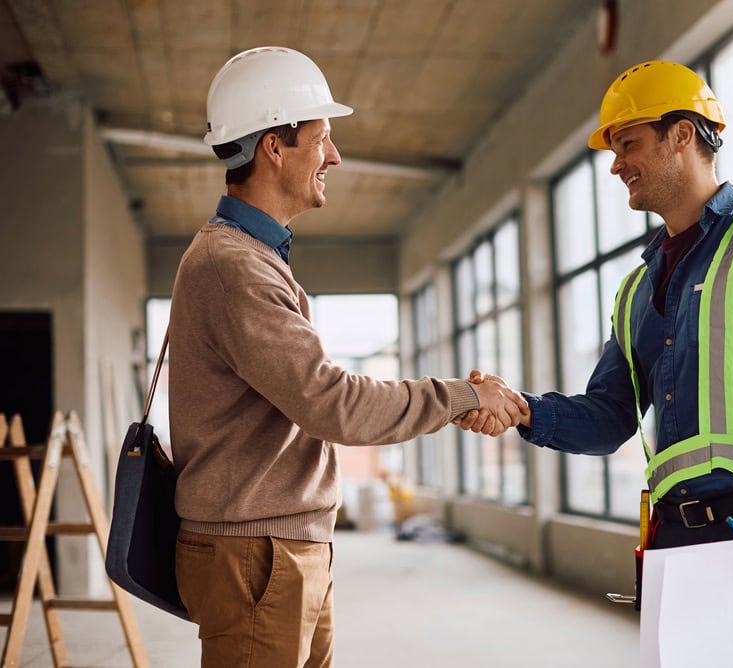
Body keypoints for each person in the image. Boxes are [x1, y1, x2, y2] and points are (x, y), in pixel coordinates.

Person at [168, 46, 526, 668]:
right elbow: (332, 403)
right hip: (257, 555)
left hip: (279, 547)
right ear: (274, 146)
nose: (333, 156)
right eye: (322, 138)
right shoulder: (234, 269)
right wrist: (465, 396)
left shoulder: (252, 261)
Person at [459, 60, 733, 577]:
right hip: (674, 539)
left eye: (628, 144)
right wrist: (522, 410)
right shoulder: (635, 290)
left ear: (680, 135)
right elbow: (610, 418)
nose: (615, 165)